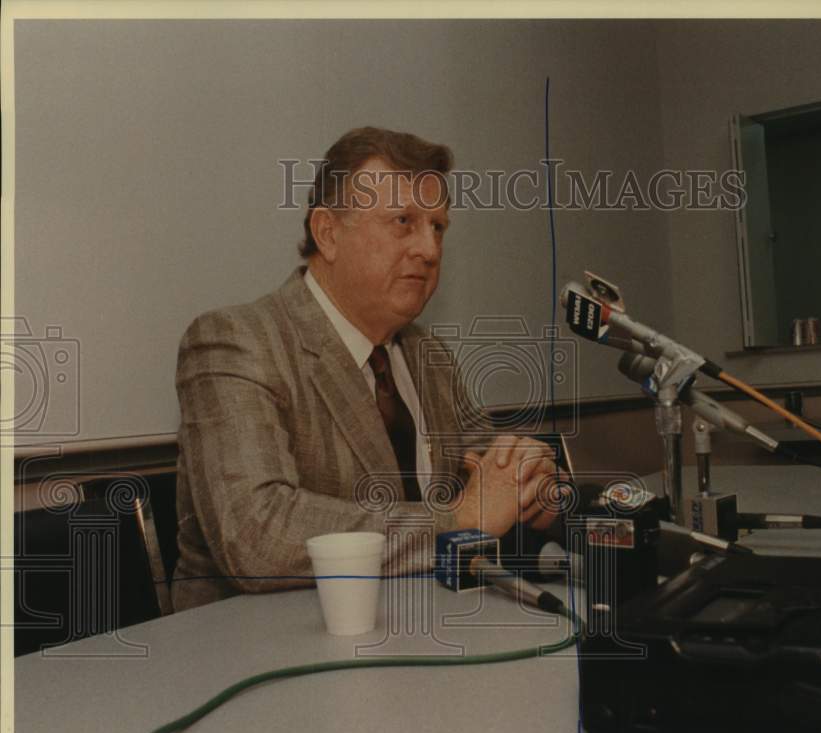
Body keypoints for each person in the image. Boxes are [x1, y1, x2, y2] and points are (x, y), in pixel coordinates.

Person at [171, 126, 558, 612]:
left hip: (420, 628)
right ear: (328, 233)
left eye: (438, 227)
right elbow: (257, 534)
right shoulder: (234, 341)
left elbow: (490, 474)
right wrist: (458, 518)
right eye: (403, 221)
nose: (429, 250)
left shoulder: (428, 355)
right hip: (257, 643)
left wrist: (534, 489)